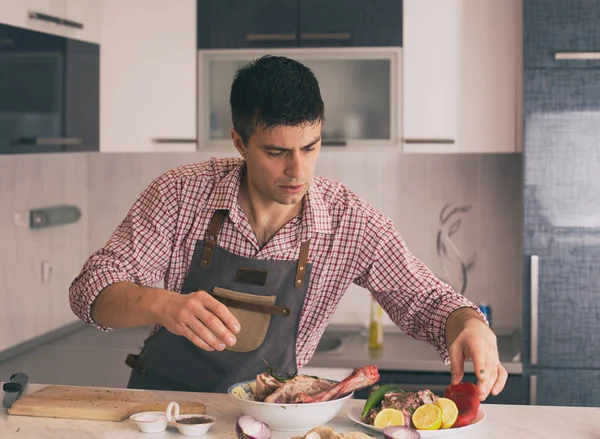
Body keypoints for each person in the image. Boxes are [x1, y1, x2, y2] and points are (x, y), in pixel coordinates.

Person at [69, 55, 507, 400]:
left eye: (311, 147)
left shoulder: (348, 221)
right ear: (239, 142)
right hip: (162, 412)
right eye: (277, 152)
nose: (298, 170)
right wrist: (163, 305)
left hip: (272, 418)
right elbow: (91, 290)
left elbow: (426, 300)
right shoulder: (182, 193)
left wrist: (469, 324)